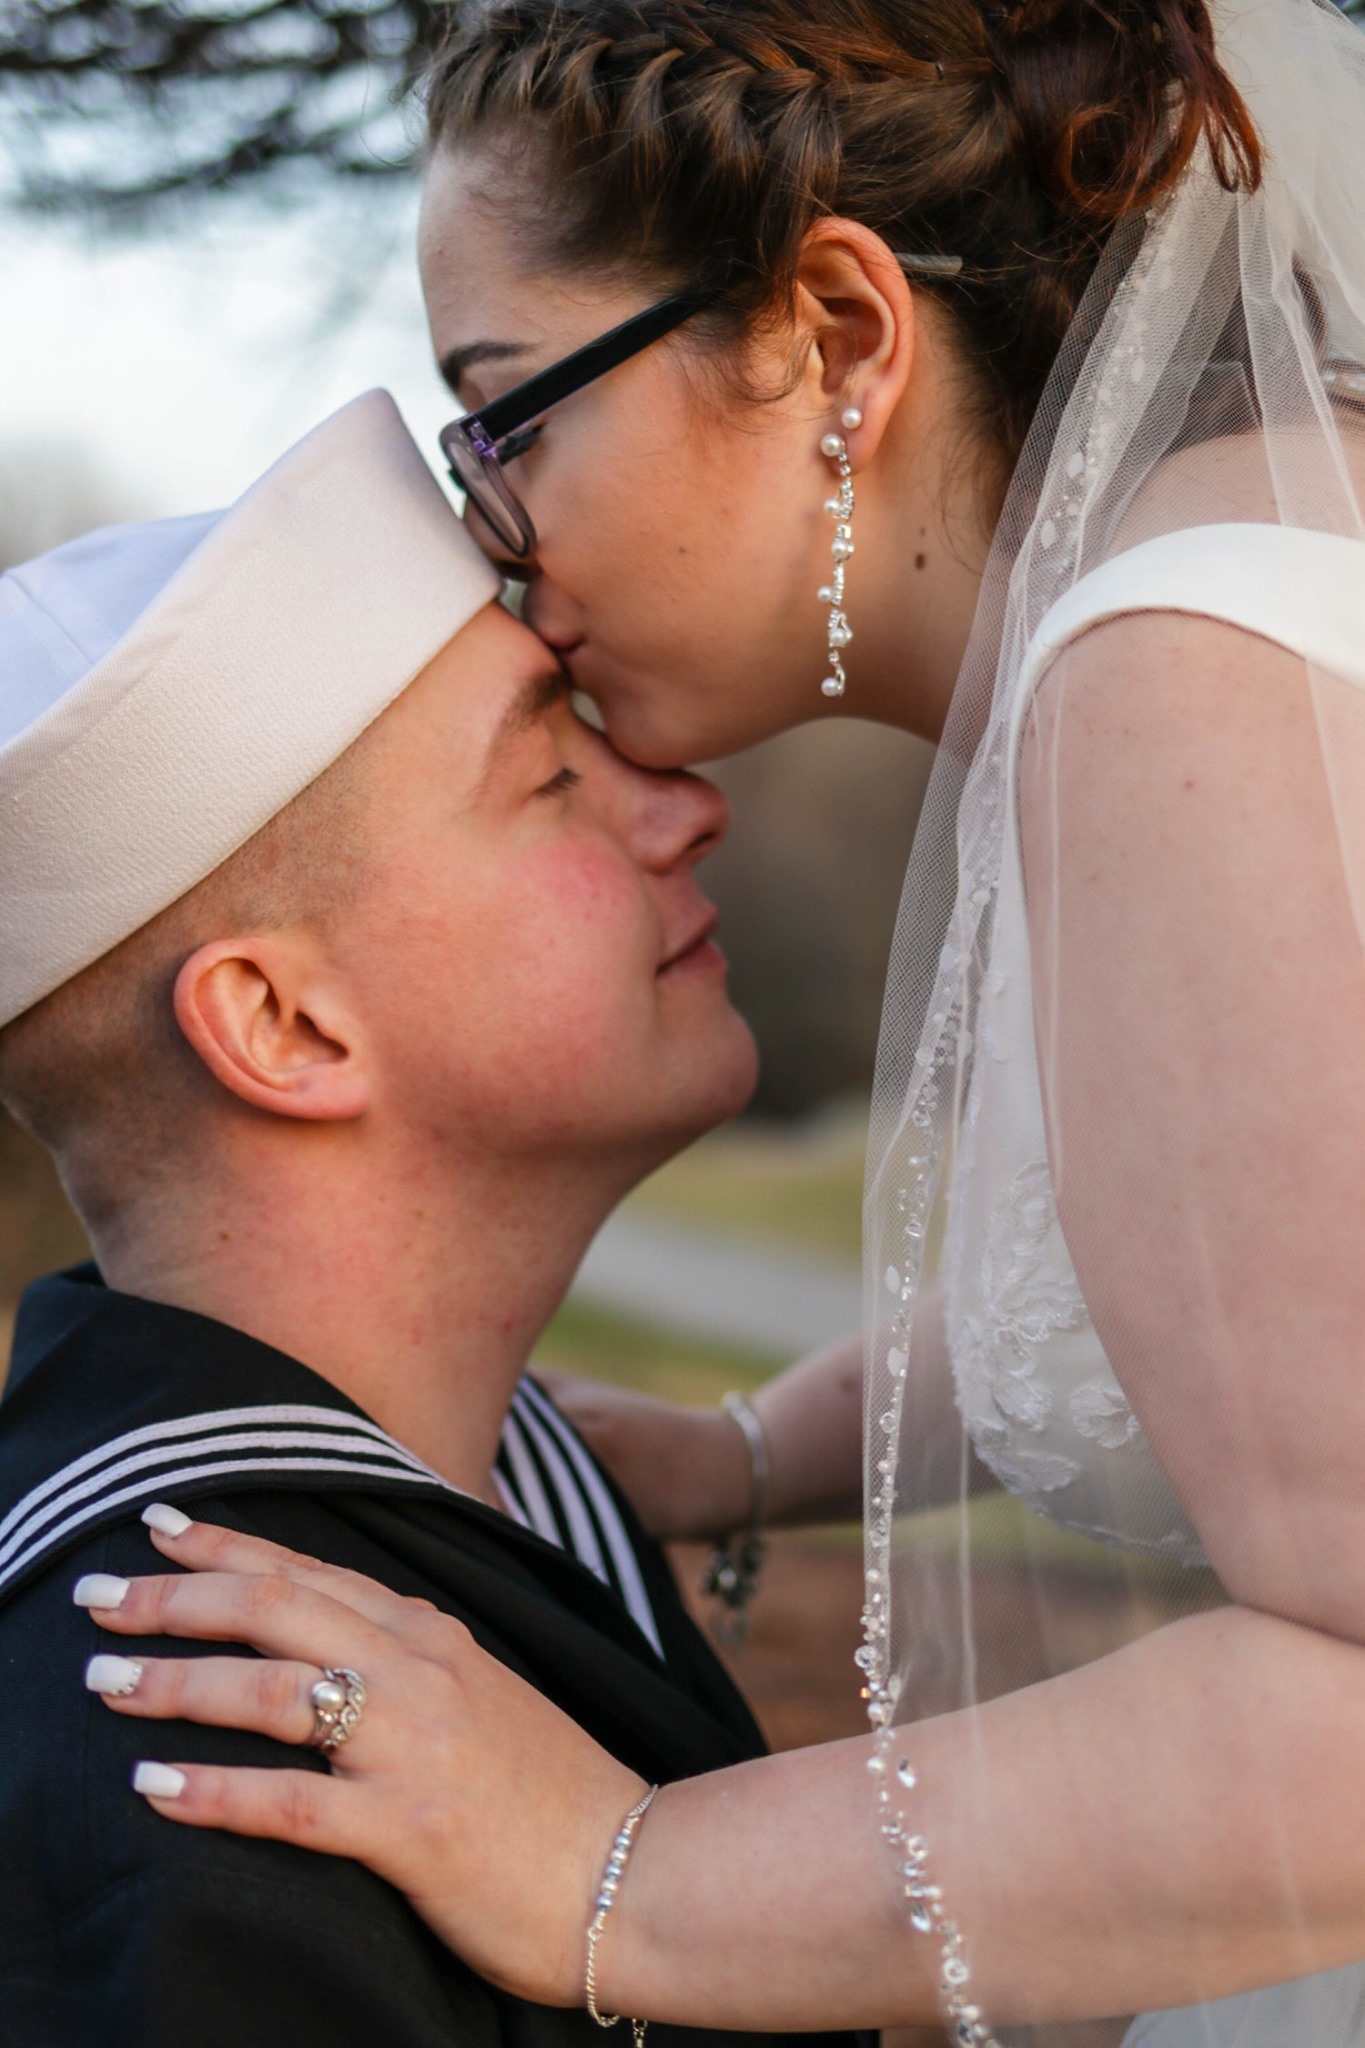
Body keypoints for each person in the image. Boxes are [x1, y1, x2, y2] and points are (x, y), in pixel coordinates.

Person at [57, 1, 1365, 2044]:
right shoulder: (1245, 556)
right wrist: (749, 1452)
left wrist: (613, 1873)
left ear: (834, 337)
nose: (490, 531)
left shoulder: (1174, 671)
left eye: (507, 414)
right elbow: (1252, 1276)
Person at [0, 387, 870, 2048]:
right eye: (548, 772)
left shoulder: (476, 1492)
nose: (687, 805)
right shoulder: (195, 1768)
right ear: (286, 1027)